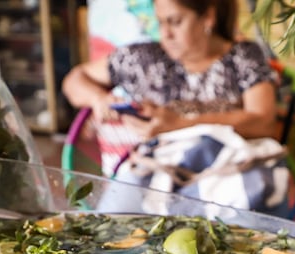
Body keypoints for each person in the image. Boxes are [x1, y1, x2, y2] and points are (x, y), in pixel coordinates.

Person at [61, 0, 283, 186]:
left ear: (208, 16)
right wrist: (98, 99)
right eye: (160, 22)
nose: (165, 33)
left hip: (225, 177)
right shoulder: (143, 59)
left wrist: (180, 123)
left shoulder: (242, 57)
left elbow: (263, 122)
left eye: (175, 22)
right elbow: (74, 80)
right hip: (156, 178)